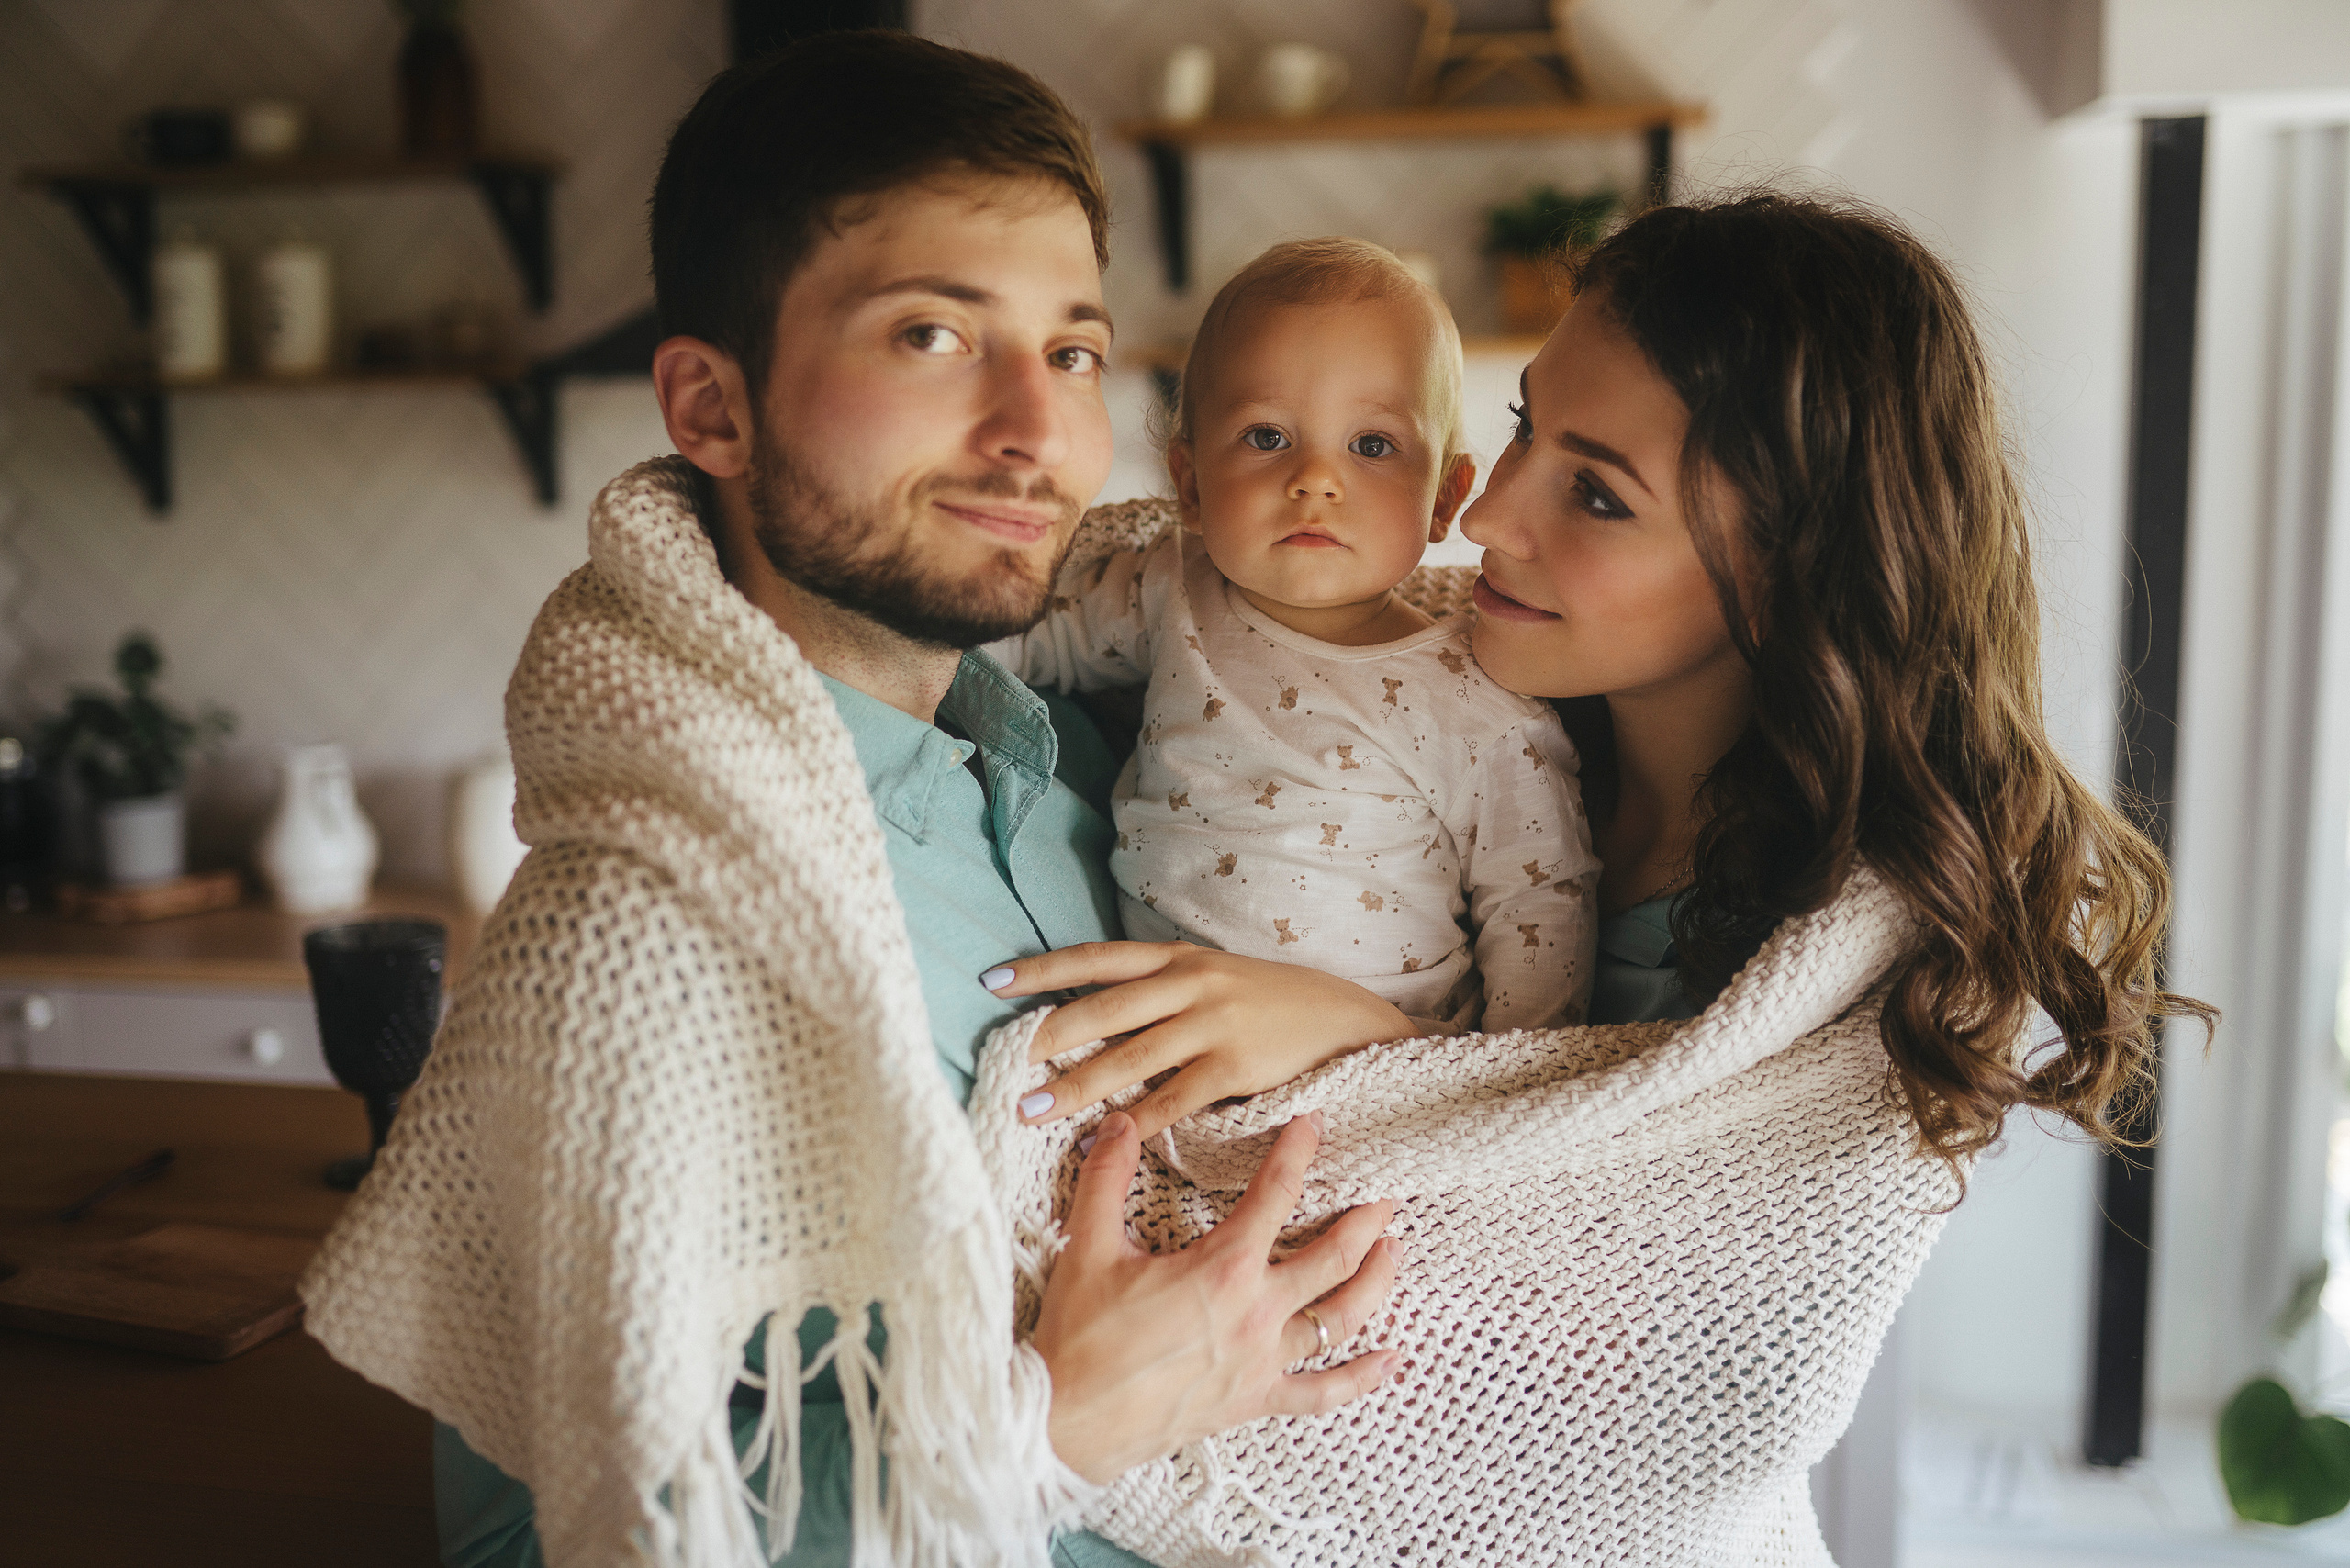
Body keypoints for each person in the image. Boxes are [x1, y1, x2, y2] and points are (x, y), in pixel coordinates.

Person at [297, 33, 1410, 1568]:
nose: (1037, 430)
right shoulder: (627, 937)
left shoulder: (1112, 759)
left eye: (1074, 350)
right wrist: (1051, 1428)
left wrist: (1357, 1022)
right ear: (714, 409)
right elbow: (529, 1543)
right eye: (935, 339)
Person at [975, 194, 2215, 1562]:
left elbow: (1611, 1389)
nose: (1488, 514)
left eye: (1597, 491)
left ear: (1788, 571)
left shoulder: (1851, 981)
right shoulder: (1397, 678)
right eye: (1520, 430)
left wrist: (1365, 1041)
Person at [987, 236, 1597, 1058]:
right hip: (1156, 1036)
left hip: (1378, 1066)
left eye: (1372, 445)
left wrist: (1500, 1091)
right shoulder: (1170, 586)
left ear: (1445, 497)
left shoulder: (1479, 703)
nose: (1316, 478)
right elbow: (1018, 639)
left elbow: (1540, 910)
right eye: (1267, 437)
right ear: (1191, 485)